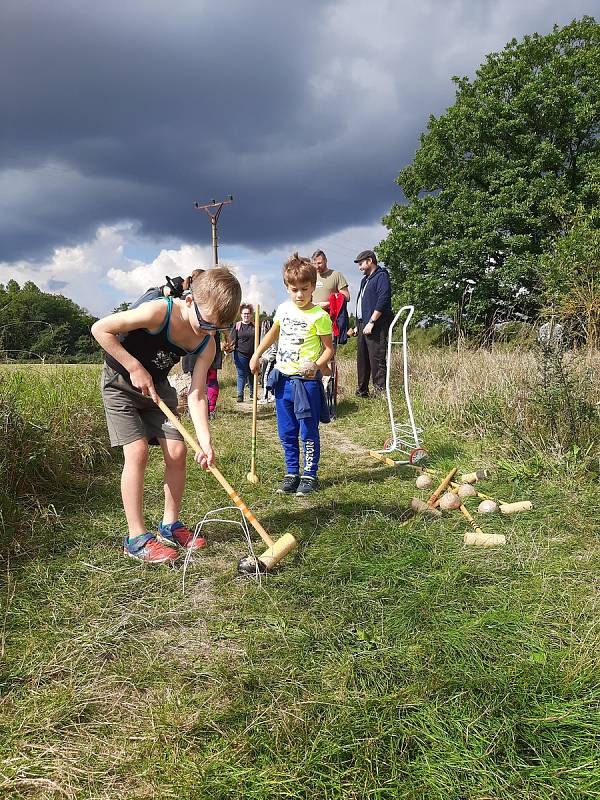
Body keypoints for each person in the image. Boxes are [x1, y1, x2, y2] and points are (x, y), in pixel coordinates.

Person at [91, 268, 241, 564]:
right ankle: (136, 538)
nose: (209, 332)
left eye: (218, 328)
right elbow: (100, 329)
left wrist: (205, 440)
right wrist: (134, 367)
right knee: (137, 453)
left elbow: (197, 394)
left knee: (178, 450)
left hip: (157, 388)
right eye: (206, 323)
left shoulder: (206, 343)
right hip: (120, 383)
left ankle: (170, 526)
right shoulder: (159, 312)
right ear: (189, 300)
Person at [249, 253, 334, 496]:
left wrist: (316, 366)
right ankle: (291, 472)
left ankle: (309, 475)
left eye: (304, 289)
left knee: (307, 430)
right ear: (286, 287)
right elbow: (272, 334)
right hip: (283, 380)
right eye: (293, 289)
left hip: (306, 384)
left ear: (313, 287)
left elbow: (329, 349)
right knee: (286, 430)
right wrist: (257, 355)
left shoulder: (320, 315)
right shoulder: (284, 310)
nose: (299, 294)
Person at [354, 249, 392, 398]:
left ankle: (380, 393)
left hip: (376, 325)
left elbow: (383, 299)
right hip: (363, 324)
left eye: (361, 263)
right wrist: (359, 325)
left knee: (376, 359)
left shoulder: (381, 276)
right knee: (362, 359)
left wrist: (372, 321)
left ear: (370, 261)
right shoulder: (365, 280)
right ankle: (362, 391)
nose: (360, 267)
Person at [228, 303, 256, 402]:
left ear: (251, 314)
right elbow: (231, 339)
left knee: (252, 373)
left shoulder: (255, 326)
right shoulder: (237, 326)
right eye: (244, 314)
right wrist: (228, 347)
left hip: (253, 355)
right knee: (241, 374)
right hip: (240, 354)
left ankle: (253, 394)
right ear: (241, 315)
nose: (246, 315)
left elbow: (260, 340)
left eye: (248, 313)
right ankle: (240, 395)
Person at [257, 318, 277, 404]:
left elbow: (274, 349)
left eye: (267, 325)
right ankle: (273, 395)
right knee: (266, 377)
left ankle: (265, 397)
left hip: (270, 359)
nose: (265, 327)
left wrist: (269, 358)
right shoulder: (263, 336)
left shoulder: (273, 335)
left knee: (266, 378)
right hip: (266, 358)